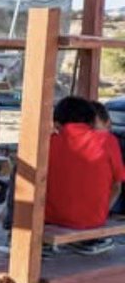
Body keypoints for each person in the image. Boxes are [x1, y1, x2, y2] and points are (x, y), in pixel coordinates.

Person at [43, 97, 122, 254]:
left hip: (51, 218)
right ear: (92, 120)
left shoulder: (48, 142)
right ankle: (91, 239)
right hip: (94, 219)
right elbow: (117, 186)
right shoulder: (108, 140)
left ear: (57, 123)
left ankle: (13, 233)